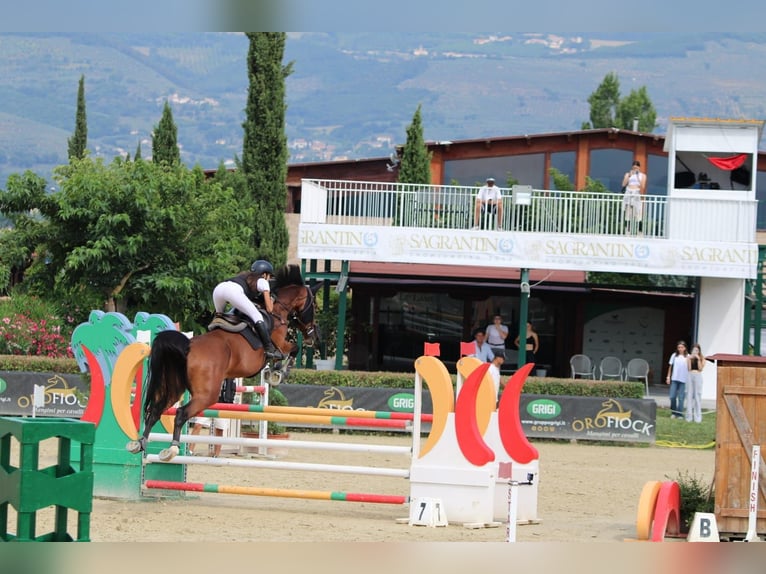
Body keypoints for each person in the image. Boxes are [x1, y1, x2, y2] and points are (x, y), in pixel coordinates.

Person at [212, 259, 283, 359]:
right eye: (269, 276)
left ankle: (211, 334)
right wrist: (272, 299)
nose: (269, 278)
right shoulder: (263, 281)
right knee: (257, 316)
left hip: (218, 289)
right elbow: (270, 309)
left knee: (219, 317)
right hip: (233, 291)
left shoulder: (244, 277)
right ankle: (269, 349)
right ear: (264, 274)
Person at [621, 160, 646, 235]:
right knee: (628, 212)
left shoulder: (643, 175)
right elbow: (623, 184)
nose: (635, 168)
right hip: (628, 191)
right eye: (634, 167)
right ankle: (627, 230)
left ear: (639, 167)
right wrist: (629, 176)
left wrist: (638, 176)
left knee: (638, 211)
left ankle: (639, 230)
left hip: (636, 192)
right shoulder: (628, 174)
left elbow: (643, 186)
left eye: (637, 167)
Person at [665, 340, 689, 419]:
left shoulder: (688, 356)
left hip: (683, 380)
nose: (680, 349)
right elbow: (670, 366)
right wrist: (668, 377)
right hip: (674, 378)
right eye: (679, 347)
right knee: (672, 396)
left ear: (685, 348)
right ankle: (674, 412)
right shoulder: (674, 355)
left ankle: (680, 414)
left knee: (681, 398)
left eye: (682, 347)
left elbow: (690, 368)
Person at [685, 343, 705, 423]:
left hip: (698, 375)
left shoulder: (702, 358)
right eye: (694, 350)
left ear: (699, 351)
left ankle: (698, 417)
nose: (695, 351)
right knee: (689, 395)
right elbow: (689, 369)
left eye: (697, 350)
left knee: (697, 396)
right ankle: (689, 417)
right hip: (690, 375)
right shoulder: (689, 358)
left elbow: (700, 369)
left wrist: (698, 359)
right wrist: (690, 359)